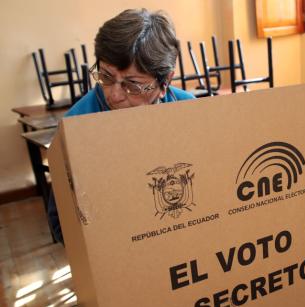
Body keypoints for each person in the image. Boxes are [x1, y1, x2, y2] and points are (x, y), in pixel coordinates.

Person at [48, 8, 195, 243]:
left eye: (132, 85)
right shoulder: (76, 127)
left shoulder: (190, 111)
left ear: (165, 81)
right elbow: (60, 226)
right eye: (105, 77)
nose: (113, 96)